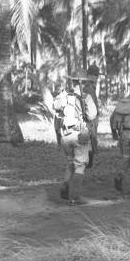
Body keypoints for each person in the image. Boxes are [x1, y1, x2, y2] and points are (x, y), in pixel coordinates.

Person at [52, 69, 97, 204]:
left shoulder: (63, 96)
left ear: (72, 81)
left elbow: (56, 117)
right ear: (83, 82)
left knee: (71, 163)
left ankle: (66, 187)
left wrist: (58, 138)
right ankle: (75, 198)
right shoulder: (86, 97)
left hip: (65, 135)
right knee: (80, 166)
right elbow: (92, 116)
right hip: (79, 136)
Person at [83, 64, 100, 164]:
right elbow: (92, 104)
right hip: (90, 117)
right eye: (96, 76)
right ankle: (88, 162)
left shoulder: (88, 86)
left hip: (90, 116)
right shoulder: (89, 87)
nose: (97, 78)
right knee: (92, 138)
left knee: (90, 139)